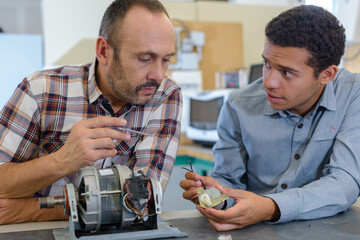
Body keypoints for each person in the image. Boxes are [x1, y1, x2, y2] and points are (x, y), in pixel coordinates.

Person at [0, 0, 182, 224]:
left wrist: (30, 210)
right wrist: (63, 161)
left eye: (165, 60)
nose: (157, 75)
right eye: (144, 58)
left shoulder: (166, 94)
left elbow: (143, 202)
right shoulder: (40, 91)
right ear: (103, 51)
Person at [181, 5, 360, 231]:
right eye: (267, 63)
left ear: (327, 75)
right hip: (254, 231)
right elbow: (227, 182)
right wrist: (214, 196)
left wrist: (270, 206)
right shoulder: (238, 106)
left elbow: (345, 183)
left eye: (287, 72)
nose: (269, 82)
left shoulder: (353, 96)